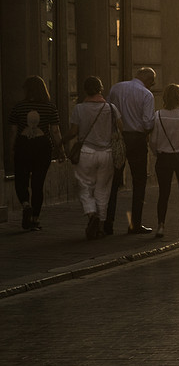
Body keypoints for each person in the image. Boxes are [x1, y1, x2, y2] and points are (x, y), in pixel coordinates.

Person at [68, 76, 123, 240]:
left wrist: (62, 141)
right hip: (106, 154)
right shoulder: (111, 108)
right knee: (103, 191)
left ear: (85, 90)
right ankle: (100, 228)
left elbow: (73, 132)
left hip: (86, 153)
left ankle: (92, 214)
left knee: (85, 187)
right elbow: (120, 128)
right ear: (101, 89)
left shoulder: (79, 109)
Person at [7, 76, 64, 231]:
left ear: (27, 90)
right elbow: (55, 130)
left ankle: (25, 204)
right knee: (38, 184)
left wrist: (12, 149)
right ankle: (34, 219)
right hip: (43, 147)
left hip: (23, 145)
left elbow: (13, 131)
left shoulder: (18, 107)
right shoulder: (50, 107)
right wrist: (61, 150)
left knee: (21, 179)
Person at [105, 67, 156, 235]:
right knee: (139, 181)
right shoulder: (146, 95)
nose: (152, 85)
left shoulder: (116, 88)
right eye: (152, 82)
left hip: (118, 137)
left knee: (113, 181)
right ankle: (135, 224)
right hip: (137, 139)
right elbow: (148, 123)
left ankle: (108, 222)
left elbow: (108, 112)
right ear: (148, 80)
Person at [150, 83, 179, 238]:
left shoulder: (158, 115)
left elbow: (153, 141)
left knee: (163, 193)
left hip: (164, 157)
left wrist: (157, 153)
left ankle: (161, 226)